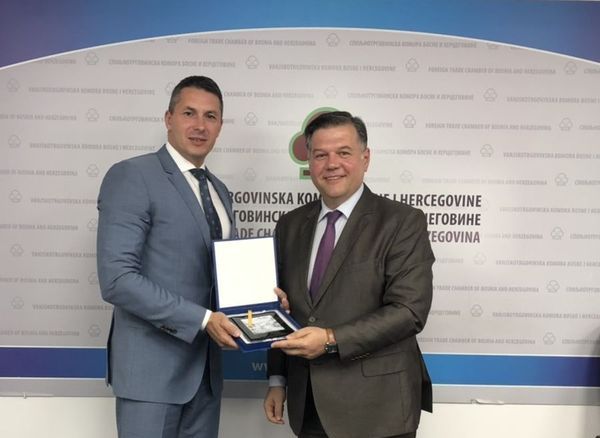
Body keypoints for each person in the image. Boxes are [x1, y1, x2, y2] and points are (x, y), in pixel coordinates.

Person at [264, 111, 434, 438]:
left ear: (365, 158)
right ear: (309, 162)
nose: (332, 164)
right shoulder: (290, 225)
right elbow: (279, 307)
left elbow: (409, 311)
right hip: (309, 404)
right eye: (320, 155)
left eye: (343, 152)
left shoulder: (402, 222)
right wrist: (277, 380)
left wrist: (330, 339)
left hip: (378, 409)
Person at [97, 75, 243, 438]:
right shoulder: (133, 175)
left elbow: (220, 277)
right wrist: (203, 319)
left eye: (210, 116)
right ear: (168, 118)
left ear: (220, 126)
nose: (200, 125)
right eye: (189, 113)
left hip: (207, 377)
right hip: (151, 376)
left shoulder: (220, 191)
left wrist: (261, 304)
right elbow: (117, 279)